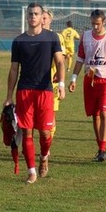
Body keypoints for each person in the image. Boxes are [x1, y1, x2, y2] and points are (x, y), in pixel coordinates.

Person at [4, 3, 65, 184]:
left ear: (41, 17)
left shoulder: (52, 37)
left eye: (36, 14)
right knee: (27, 132)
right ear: (27, 16)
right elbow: (14, 69)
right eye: (30, 14)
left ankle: (44, 157)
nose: (33, 16)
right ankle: (31, 171)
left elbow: (60, 62)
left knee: (46, 133)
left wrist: (61, 84)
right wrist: (9, 96)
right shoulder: (19, 41)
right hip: (25, 90)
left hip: (45, 91)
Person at [68, 9, 106, 162]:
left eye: (98, 24)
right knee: (94, 115)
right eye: (93, 24)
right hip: (90, 79)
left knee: (104, 113)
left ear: (104, 21)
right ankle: (100, 148)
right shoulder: (85, 36)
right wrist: (73, 79)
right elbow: (80, 58)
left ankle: (103, 149)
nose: (95, 27)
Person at [42, 8, 65, 138]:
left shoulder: (57, 37)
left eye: (45, 18)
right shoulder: (32, 35)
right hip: (34, 82)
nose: (43, 21)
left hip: (52, 82)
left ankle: (47, 145)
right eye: (41, 18)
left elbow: (63, 58)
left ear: (50, 20)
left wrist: (59, 73)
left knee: (51, 113)